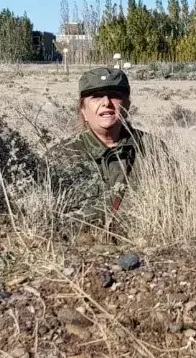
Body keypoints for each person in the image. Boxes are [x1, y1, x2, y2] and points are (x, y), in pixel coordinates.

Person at [47, 66, 167, 234]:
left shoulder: (152, 149)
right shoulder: (61, 156)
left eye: (114, 95)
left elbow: (175, 204)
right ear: (83, 109)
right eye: (96, 97)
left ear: (127, 105)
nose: (106, 102)